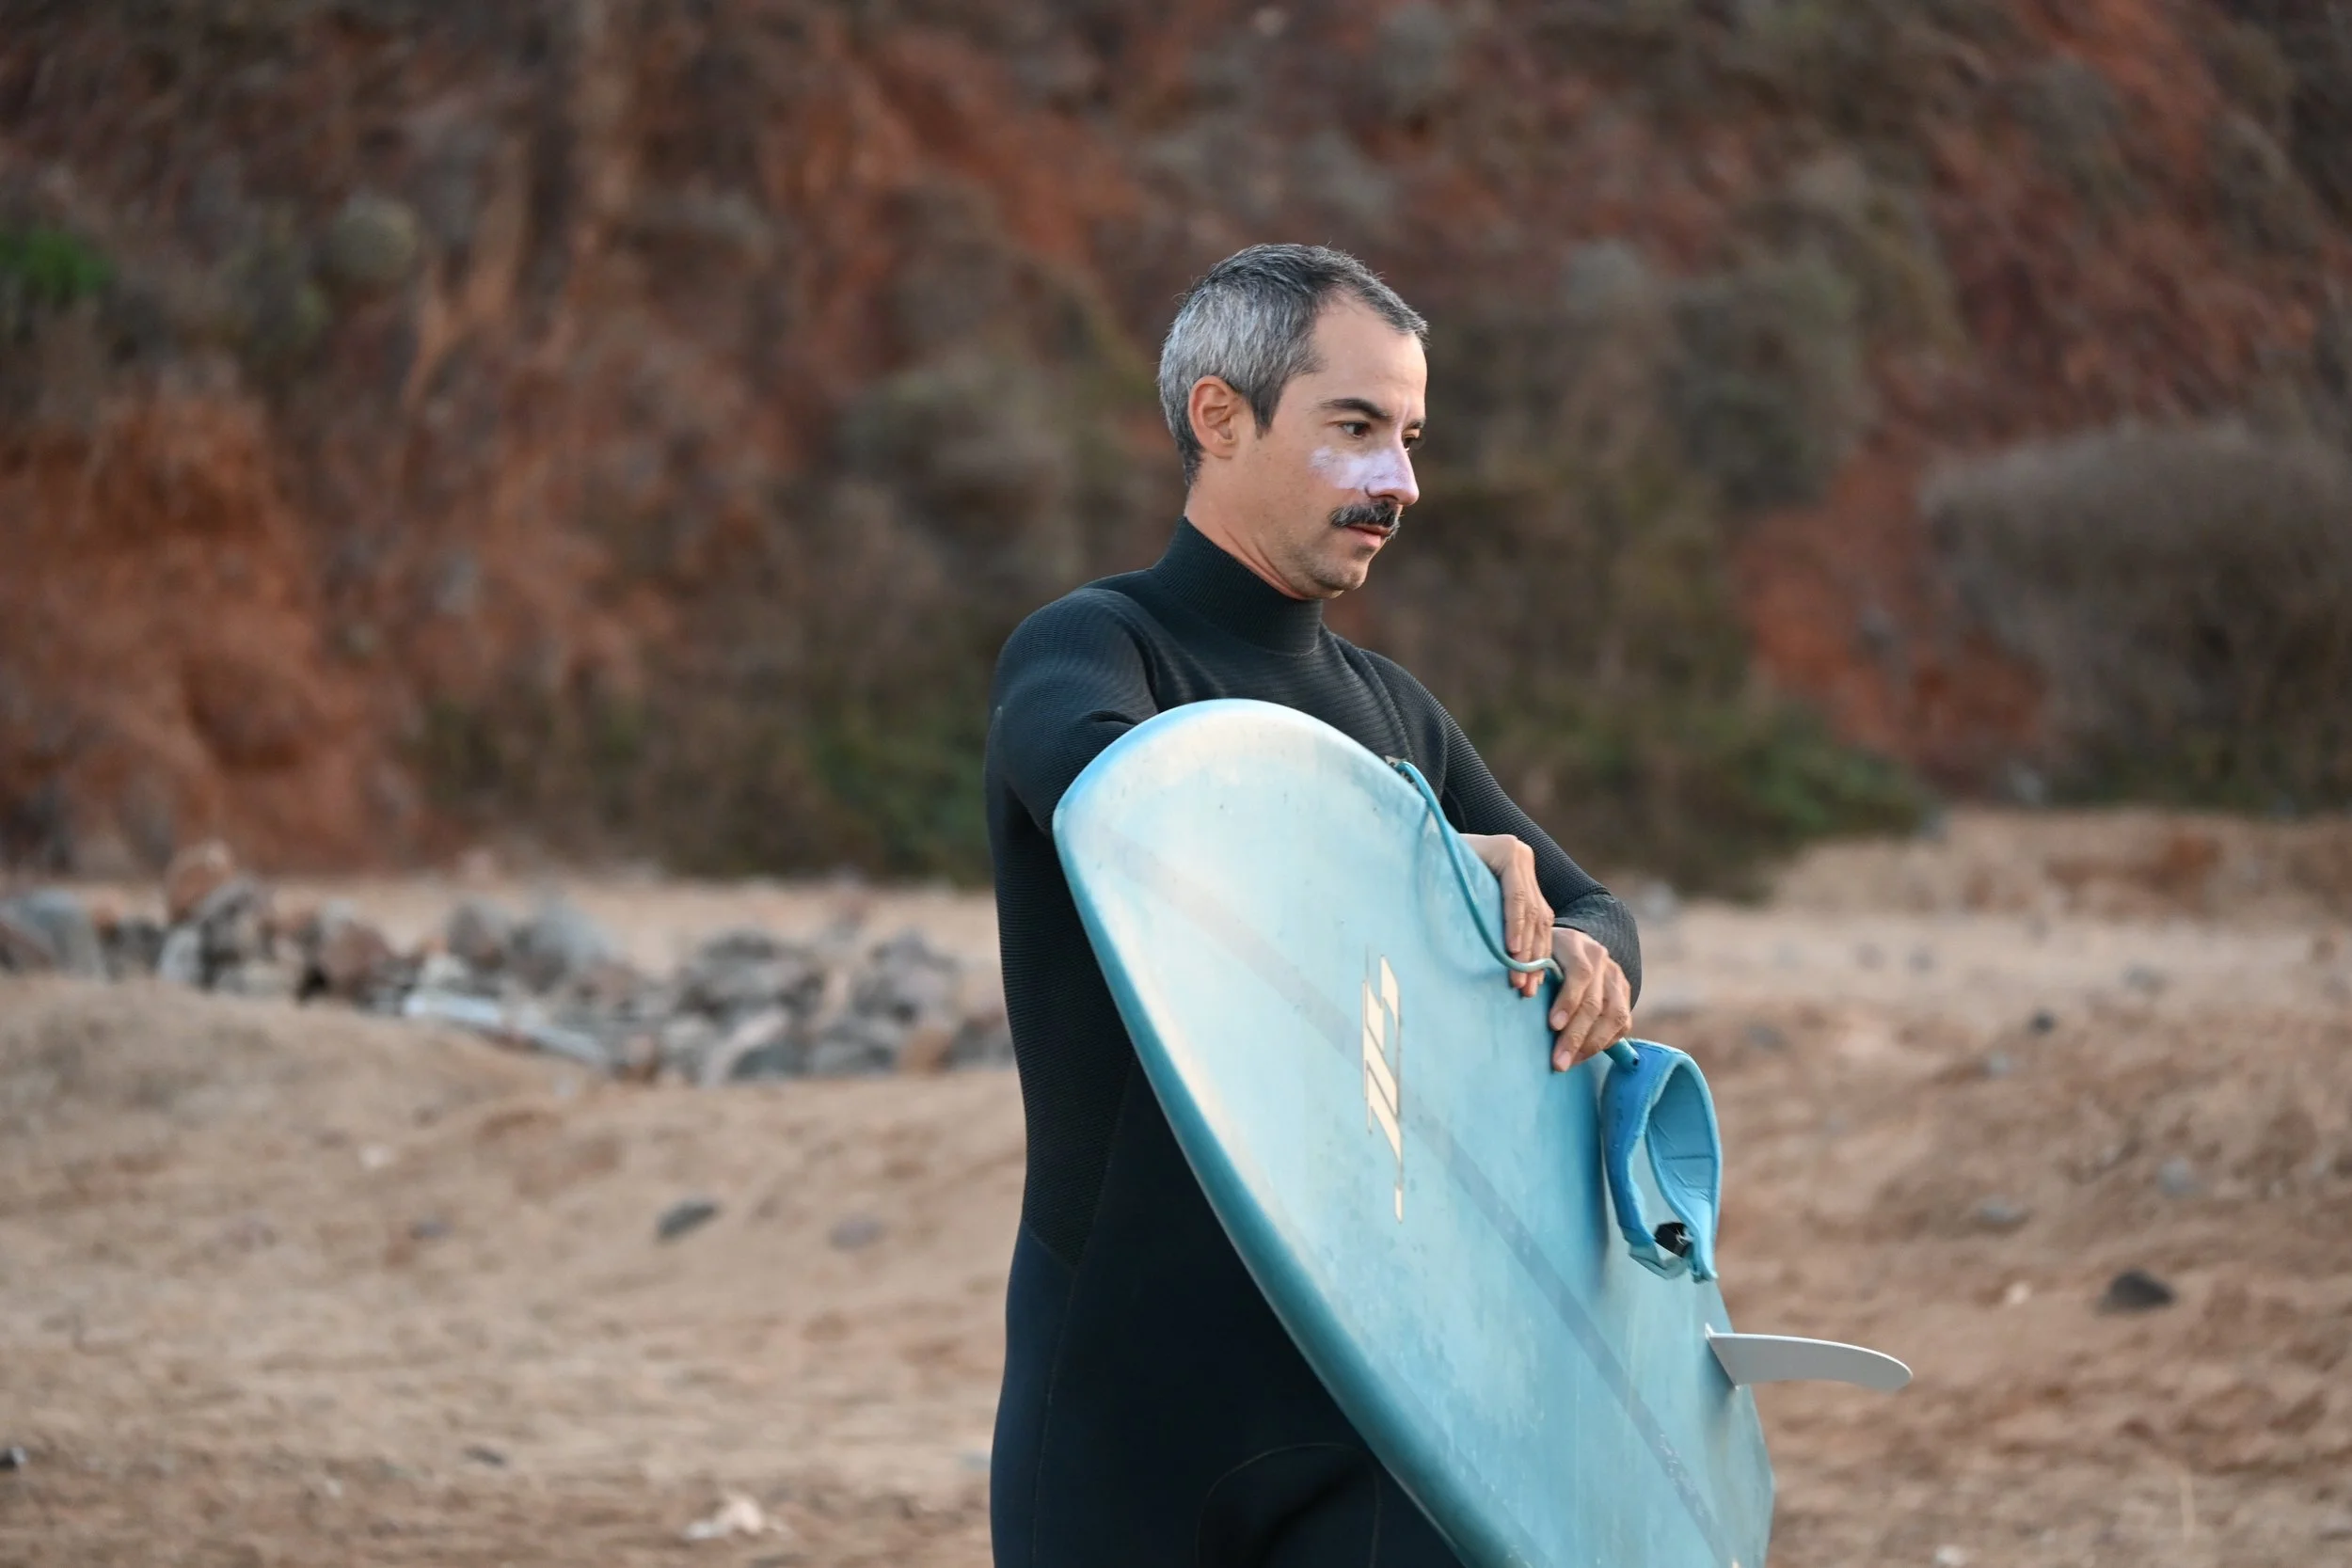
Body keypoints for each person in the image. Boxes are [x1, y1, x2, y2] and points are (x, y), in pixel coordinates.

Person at [984, 244, 1641, 1567]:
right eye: (1355, 427)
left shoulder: (1394, 710)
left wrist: (1584, 954)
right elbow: (1133, 813)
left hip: (1380, 1408)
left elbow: (1597, 907)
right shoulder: (1090, 651)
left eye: (1408, 436)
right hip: (1122, 1406)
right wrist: (1422, 855)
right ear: (1219, 417)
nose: (1400, 482)